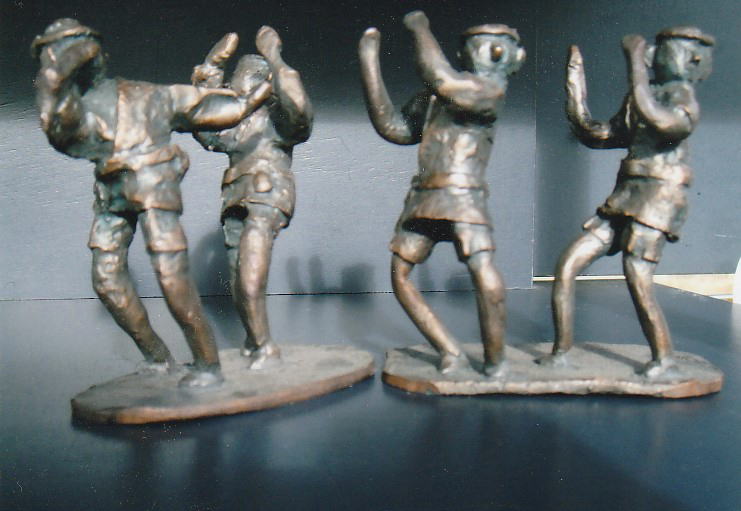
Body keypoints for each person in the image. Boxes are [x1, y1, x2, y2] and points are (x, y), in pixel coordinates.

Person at [32, 19, 271, 387]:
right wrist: (55, 75)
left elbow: (221, 106)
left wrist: (257, 92)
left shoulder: (148, 95)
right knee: (106, 280)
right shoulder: (75, 108)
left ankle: (208, 364)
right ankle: (159, 359)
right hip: (111, 191)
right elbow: (61, 131)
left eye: (64, 52)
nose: (59, 60)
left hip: (153, 187)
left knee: (172, 276)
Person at [359, 11, 525, 375]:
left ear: (513, 58)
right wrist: (369, 63)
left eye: (494, 47)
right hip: (424, 196)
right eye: (477, 45)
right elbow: (395, 127)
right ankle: (450, 350)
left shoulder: (489, 91)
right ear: (464, 53)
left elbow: (441, 77)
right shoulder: (438, 97)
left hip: (464, 195)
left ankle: (496, 361)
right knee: (400, 275)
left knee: (480, 268)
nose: (485, 53)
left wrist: (420, 26)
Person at [543, 27, 715, 377]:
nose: (652, 54)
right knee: (568, 264)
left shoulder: (683, 99)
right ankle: (561, 353)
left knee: (637, 275)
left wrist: (634, 62)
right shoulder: (643, 95)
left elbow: (662, 122)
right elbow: (600, 134)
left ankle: (664, 359)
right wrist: (575, 86)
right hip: (625, 198)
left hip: (658, 200)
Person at [191, 26, 312, 368]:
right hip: (235, 196)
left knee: (250, 274)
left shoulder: (277, 119)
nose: (232, 89)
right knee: (235, 275)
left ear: (262, 84)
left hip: (267, 191)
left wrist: (274, 57)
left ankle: (265, 347)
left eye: (237, 81)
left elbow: (300, 111)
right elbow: (206, 128)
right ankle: (254, 340)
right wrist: (209, 73)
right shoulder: (237, 123)